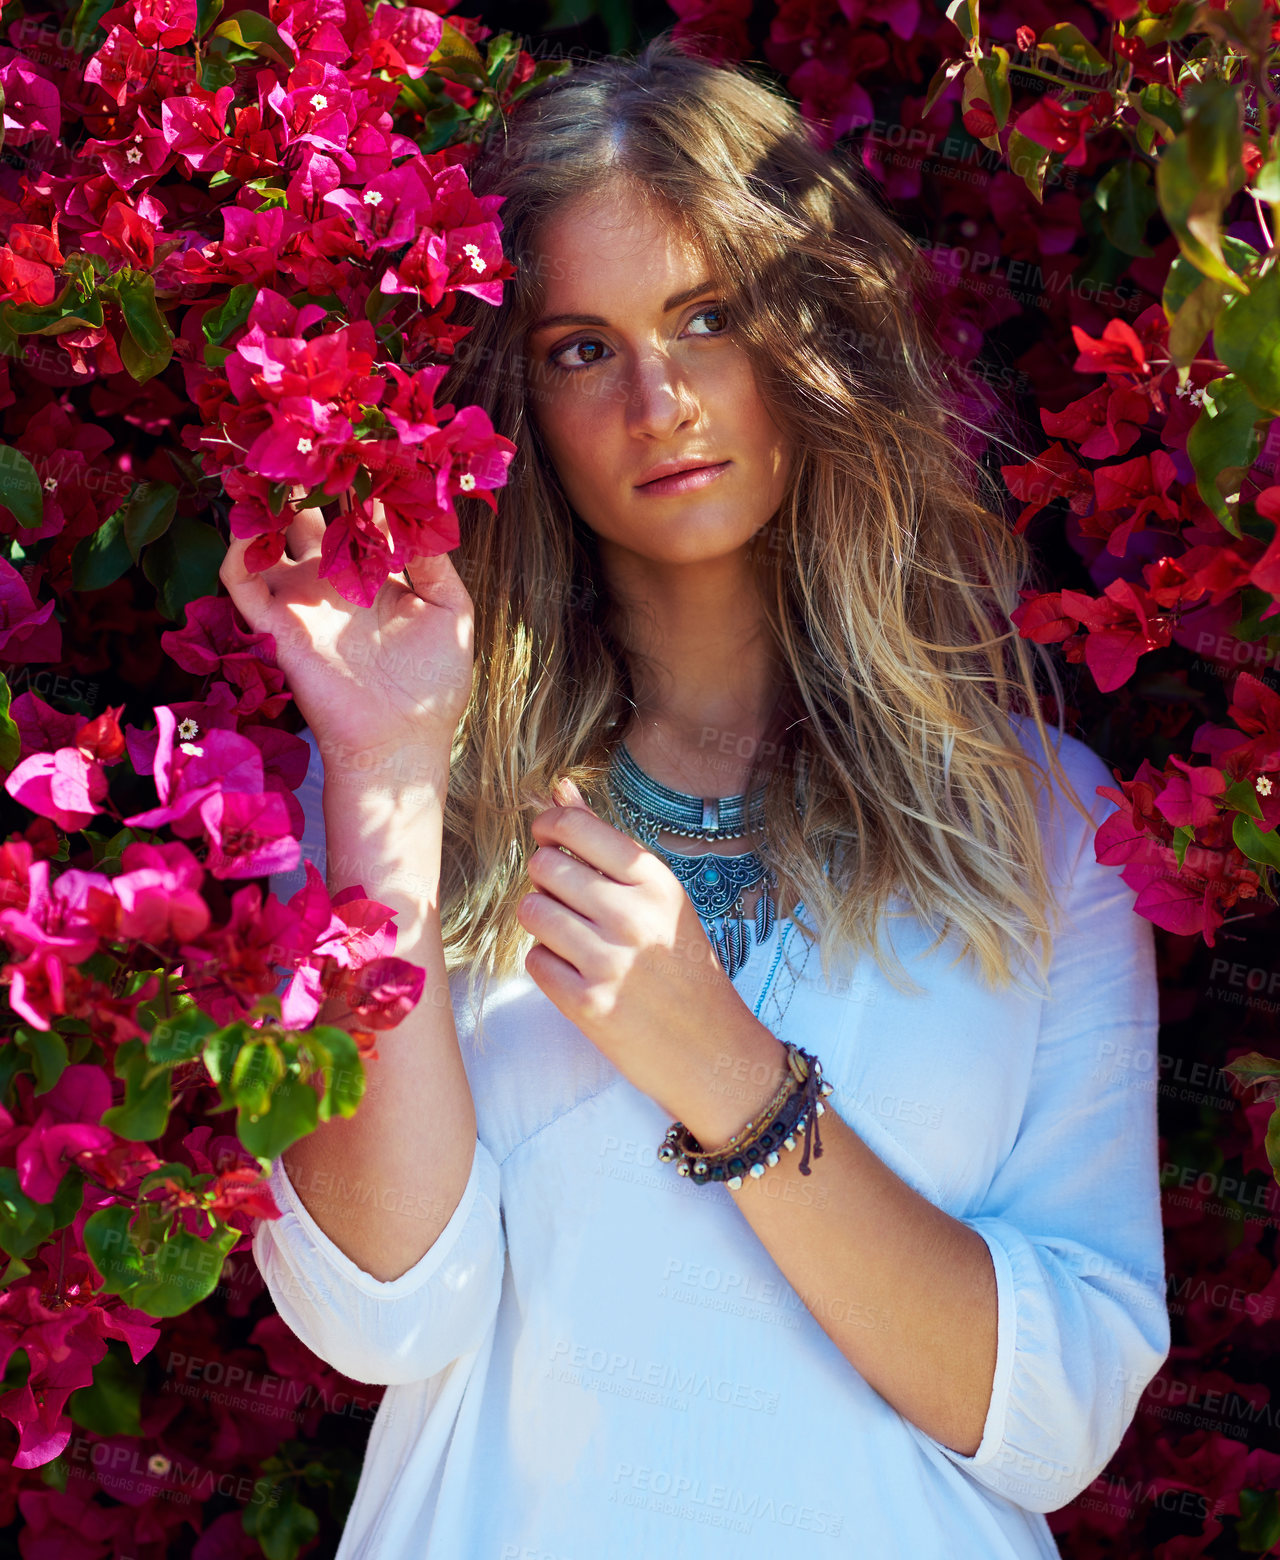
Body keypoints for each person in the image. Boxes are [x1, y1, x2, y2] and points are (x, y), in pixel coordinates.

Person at [224, 29, 1171, 1560]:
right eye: (582, 347)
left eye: (708, 316)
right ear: (516, 402)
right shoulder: (400, 812)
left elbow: (1052, 1419)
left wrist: (724, 1069)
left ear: (811, 339)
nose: (660, 396)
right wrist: (387, 768)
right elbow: (378, 1313)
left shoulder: (1044, 820)